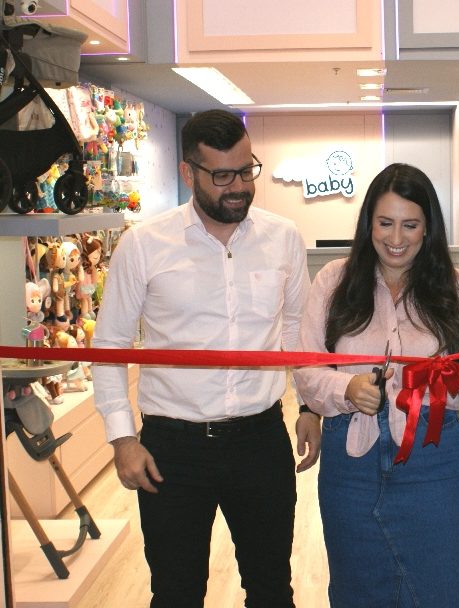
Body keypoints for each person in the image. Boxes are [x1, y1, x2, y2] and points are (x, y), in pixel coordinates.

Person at [92, 109, 320, 608]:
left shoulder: (282, 237)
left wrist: (309, 406)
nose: (237, 186)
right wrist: (122, 438)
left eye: (246, 171)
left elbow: (297, 330)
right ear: (187, 172)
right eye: (221, 176)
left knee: (270, 590)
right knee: (175, 594)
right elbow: (107, 346)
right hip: (172, 450)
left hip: (260, 441)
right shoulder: (143, 245)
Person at [293, 163, 459, 608]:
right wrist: (346, 390)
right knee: (359, 589)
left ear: (428, 228)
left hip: (434, 462)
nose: (396, 238)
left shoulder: (454, 286)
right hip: (350, 464)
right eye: (385, 223)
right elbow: (307, 372)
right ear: (367, 222)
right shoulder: (333, 280)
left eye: (410, 225)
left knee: (445, 591)